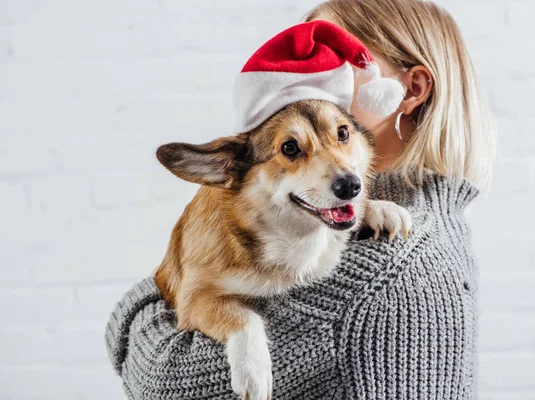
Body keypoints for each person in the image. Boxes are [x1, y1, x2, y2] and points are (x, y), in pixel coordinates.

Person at [105, 0, 495, 399]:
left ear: (410, 90)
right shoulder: (421, 218)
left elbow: (162, 382)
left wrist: (147, 301)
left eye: (337, 56)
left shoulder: (378, 276)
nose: (309, 73)